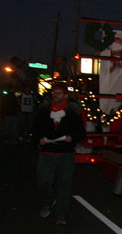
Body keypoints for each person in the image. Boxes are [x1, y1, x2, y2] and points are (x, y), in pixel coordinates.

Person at [32, 83, 85, 224]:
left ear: (65, 96)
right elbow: (35, 128)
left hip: (65, 153)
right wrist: (39, 139)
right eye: (54, 93)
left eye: (59, 93)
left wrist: (72, 138)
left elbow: (80, 132)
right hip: (47, 152)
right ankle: (48, 202)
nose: (56, 95)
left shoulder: (73, 113)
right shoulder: (43, 111)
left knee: (64, 184)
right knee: (43, 180)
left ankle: (61, 214)